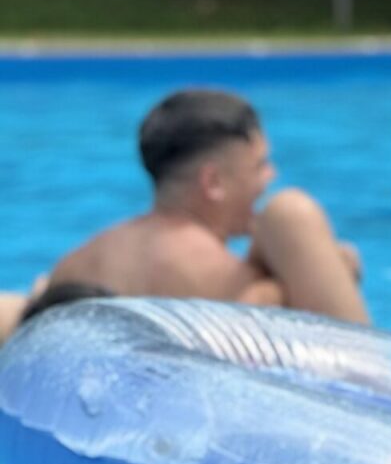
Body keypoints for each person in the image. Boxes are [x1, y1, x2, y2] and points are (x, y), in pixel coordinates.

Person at [46, 89, 368, 323]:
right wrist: (331, 271)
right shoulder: (238, 285)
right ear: (212, 183)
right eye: (260, 166)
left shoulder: (71, 267)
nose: (271, 176)